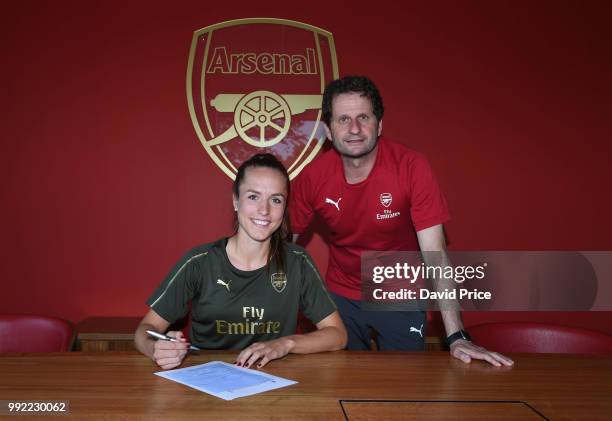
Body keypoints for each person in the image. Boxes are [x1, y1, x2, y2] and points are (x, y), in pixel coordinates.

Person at [290, 76, 513, 366]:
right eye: (343, 119)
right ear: (328, 131)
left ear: (379, 125)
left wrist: (457, 336)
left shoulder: (411, 167)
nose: (354, 129)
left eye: (363, 118)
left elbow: (436, 254)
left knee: (404, 386)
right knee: (340, 386)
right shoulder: (313, 177)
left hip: (399, 292)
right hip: (340, 295)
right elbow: (282, 252)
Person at [135, 153, 347, 370]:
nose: (264, 210)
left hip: (273, 383)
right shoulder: (199, 262)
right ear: (236, 201)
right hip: (206, 382)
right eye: (253, 197)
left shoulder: (297, 262)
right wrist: (156, 349)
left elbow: (338, 335)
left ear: (284, 208)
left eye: (276, 200)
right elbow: (145, 329)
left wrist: (285, 343)